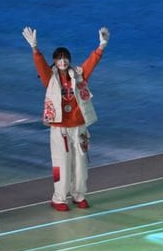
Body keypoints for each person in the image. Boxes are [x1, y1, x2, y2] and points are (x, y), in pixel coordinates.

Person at [22, 26, 109, 211]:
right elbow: (41, 66)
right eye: (59, 58)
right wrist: (35, 48)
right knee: (61, 164)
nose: (62, 61)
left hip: (79, 127)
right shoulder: (50, 78)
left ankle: (79, 195)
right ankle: (59, 199)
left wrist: (102, 45)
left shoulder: (78, 74)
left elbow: (91, 63)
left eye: (65, 58)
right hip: (59, 128)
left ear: (69, 60)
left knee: (81, 164)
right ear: (54, 61)